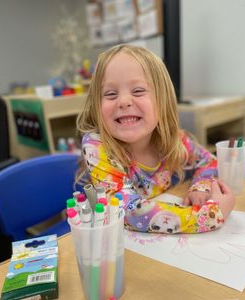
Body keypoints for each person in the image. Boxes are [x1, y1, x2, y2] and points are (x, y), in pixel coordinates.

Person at [76, 44, 235, 234]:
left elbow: (209, 161)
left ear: (163, 101)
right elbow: (128, 212)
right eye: (110, 94)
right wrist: (211, 215)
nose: (124, 101)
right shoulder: (96, 146)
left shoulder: (172, 140)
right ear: (96, 106)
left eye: (138, 91)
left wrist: (199, 187)